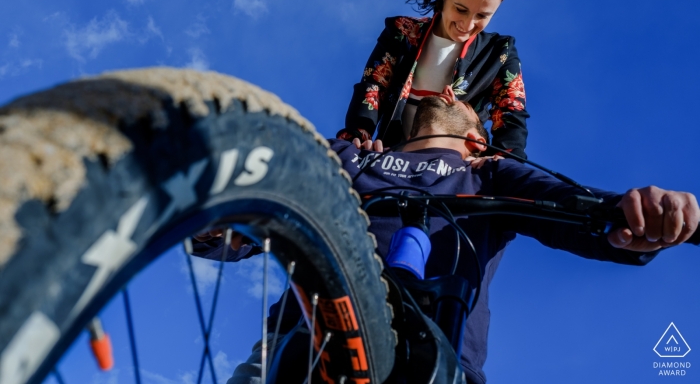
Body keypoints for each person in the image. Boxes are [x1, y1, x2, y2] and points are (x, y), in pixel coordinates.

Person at [193, 88, 699, 384]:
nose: (450, 89)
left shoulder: (491, 173)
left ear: (478, 136)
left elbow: (573, 205)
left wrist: (638, 212)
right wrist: (212, 215)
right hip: (303, 337)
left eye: (465, 97)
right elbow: (256, 199)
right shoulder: (350, 156)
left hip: (441, 353)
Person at [337, 0, 529, 159]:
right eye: (461, 9)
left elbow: (511, 113)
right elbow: (373, 87)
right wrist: (358, 138)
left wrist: (505, 163)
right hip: (393, 162)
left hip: (457, 172)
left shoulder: (499, 53)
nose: (468, 25)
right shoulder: (401, 32)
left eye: (482, 16)